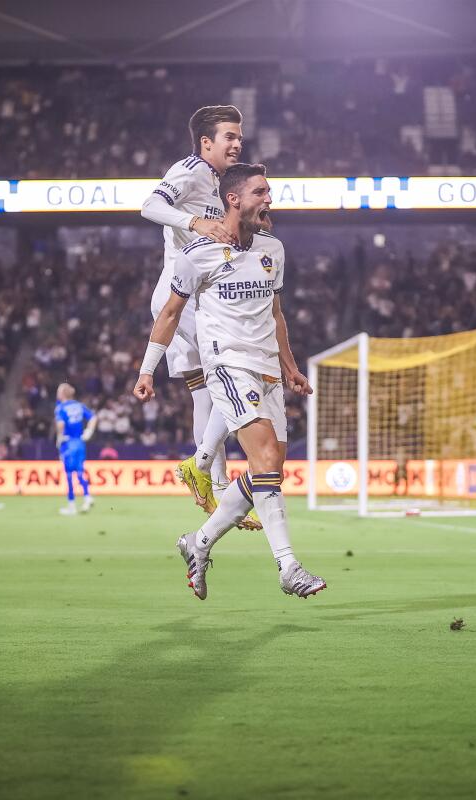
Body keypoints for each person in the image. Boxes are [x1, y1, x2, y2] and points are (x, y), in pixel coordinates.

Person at [133, 163, 325, 600]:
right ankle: (288, 566)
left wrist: (291, 367)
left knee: (270, 470)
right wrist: (147, 369)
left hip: (269, 371)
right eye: (261, 192)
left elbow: (276, 315)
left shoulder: (272, 250)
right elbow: (169, 315)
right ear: (234, 199)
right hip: (228, 367)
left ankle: (198, 542)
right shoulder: (197, 253)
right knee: (262, 461)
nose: (269, 199)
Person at [140, 105, 258, 530]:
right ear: (206, 143)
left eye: (239, 136)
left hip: (185, 295)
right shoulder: (190, 169)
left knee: (203, 392)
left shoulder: (219, 181)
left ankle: (218, 489)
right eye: (229, 136)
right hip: (184, 298)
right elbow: (150, 205)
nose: (237, 143)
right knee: (241, 372)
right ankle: (203, 466)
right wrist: (193, 221)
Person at [54, 383, 97, 515]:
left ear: (62, 394)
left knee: (68, 474)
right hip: (80, 442)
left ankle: (72, 505)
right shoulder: (79, 405)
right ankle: (87, 496)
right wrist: (89, 431)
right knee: (79, 472)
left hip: (68, 443)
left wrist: (59, 438)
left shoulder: (60, 408)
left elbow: (61, 424)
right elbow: (93, 417)